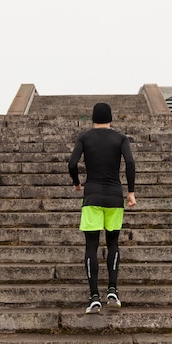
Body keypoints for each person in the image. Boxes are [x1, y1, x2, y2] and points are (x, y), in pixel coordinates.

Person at [68, 102, 136, 314]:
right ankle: (113, 291)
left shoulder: (84, 137)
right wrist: (131, 192)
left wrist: (77, 183)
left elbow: (72, 163)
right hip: (115, 198)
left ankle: (94, 297)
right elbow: (131, 163)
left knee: (91, 246)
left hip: (92, 196)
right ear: (111, 118)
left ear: (93, 118)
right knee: (113, 243)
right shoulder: (120, 138)